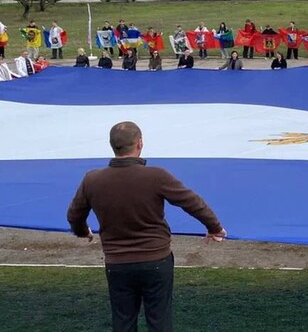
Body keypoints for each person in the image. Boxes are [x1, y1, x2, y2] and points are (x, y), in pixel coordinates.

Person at [66, 121, 227, 332]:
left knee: (123, 322)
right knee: (159, 322)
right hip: (156, 260)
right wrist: (214, 227)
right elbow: (191, 202)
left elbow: (74, 215)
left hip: (117, 264)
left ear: (112, 146)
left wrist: (83, 232)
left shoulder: (92, 180)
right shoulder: (156, 175)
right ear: (140, 144)